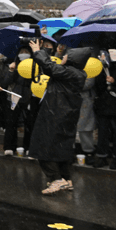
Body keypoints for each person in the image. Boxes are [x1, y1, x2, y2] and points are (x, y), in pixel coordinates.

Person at [28, 39, 89, 195]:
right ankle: (66, 179)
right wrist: (43, 53)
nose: (63, 57)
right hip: (62, 114)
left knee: (44, 146)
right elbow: (50, 67)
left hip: (56, 114)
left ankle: (56, 180)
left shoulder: (69, 72)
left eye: (66, 56)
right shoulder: (75, 73)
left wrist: (37, 51)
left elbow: (49, 66)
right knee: (60, 148)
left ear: (73, 59)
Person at [3, 43, 38, 156]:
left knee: (30, 123)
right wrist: (11, 71)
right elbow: (5, 82)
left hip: (30, 96)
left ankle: (29, 147)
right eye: (21, 52)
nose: (24, 54)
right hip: (14, 96)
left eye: (26, 52)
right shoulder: (14, 64)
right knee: (11, 122)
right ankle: (9, 147)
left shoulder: (35, 65)